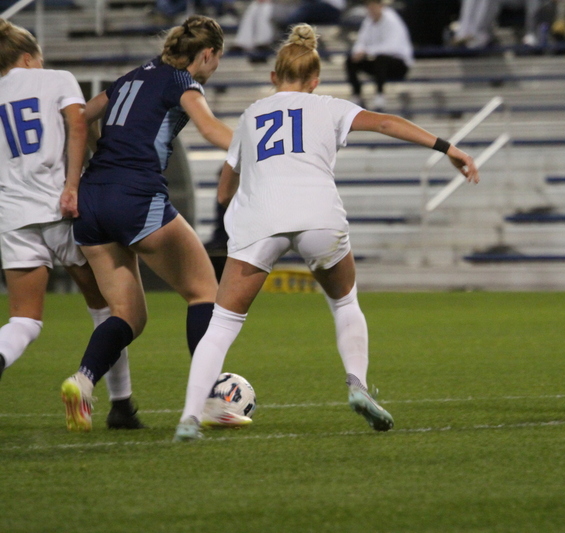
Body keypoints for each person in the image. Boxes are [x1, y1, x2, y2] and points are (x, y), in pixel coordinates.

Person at [173, 23, 480, 441]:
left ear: (273, 78)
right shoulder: (330, 107)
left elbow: (226, 186)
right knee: (344, 301)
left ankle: (191, 417)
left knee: (223, 324)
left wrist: (237, 215)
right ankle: (357, 385)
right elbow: (387, 123)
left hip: (261, 221)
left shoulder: (250, 116)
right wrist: (449, 148)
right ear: (315, 80)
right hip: (319, 216)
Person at [59, 15, 235, 432]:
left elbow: (82, 116)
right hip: (135, 198)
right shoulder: (182, 83)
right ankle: (208, 399)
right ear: (206, 54)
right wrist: (262, 145)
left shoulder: (131, 77)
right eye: (216, 61)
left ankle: (82, 381)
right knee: (203, 290)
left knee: (128, 315)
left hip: (93, 198)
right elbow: (211, 129)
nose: (214, 70)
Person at [0, 19, 143, 429]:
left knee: (24, 320)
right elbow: (78, 124)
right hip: (62, 209)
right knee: (108, 309)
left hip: (13, 213)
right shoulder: (55, 78)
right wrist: (72, 185)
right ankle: (121, 405)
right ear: (29, 56)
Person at [345, 0, 414, 112]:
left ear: (381, 6)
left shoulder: (392, 20)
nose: (371, 9)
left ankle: (380, 96)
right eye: (369, 6)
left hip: (399, 64)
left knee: (381, 59)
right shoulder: (368, 21)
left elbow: (392, 47)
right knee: (351, 60)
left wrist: (367, 51)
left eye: (373, 6)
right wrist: (358, 52)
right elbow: (361, 41)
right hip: (379, 64)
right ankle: (357, 95)